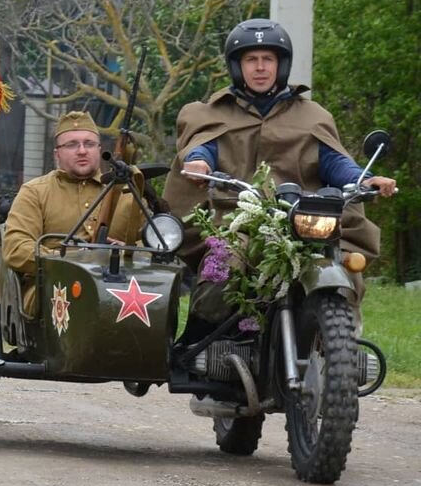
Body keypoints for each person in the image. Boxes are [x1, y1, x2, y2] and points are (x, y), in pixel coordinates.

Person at [164, 17, 397, 336]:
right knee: (225, 262)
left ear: (281, 64)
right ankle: (200, 339)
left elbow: (335, 161)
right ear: (237, 66)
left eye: (268, 59)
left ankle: (344, 344)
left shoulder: (311, 115)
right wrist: (199, 164)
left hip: (304, 222)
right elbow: (202, 148)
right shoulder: (211, 113)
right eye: (251, 59)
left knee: (342, 266)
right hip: (237, 220)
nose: (260, 67)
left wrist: (364, 179)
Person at [2, 110, 146, 313]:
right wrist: (71, 259)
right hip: (53, 290)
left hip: (121, 292)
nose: (81, 151)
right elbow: (16, 249)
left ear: (99, 149)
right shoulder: (35, 192)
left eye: (89, 144)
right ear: (57, 154)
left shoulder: (125, 193)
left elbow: (153, 246)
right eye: (71, 145)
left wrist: (127, 252)